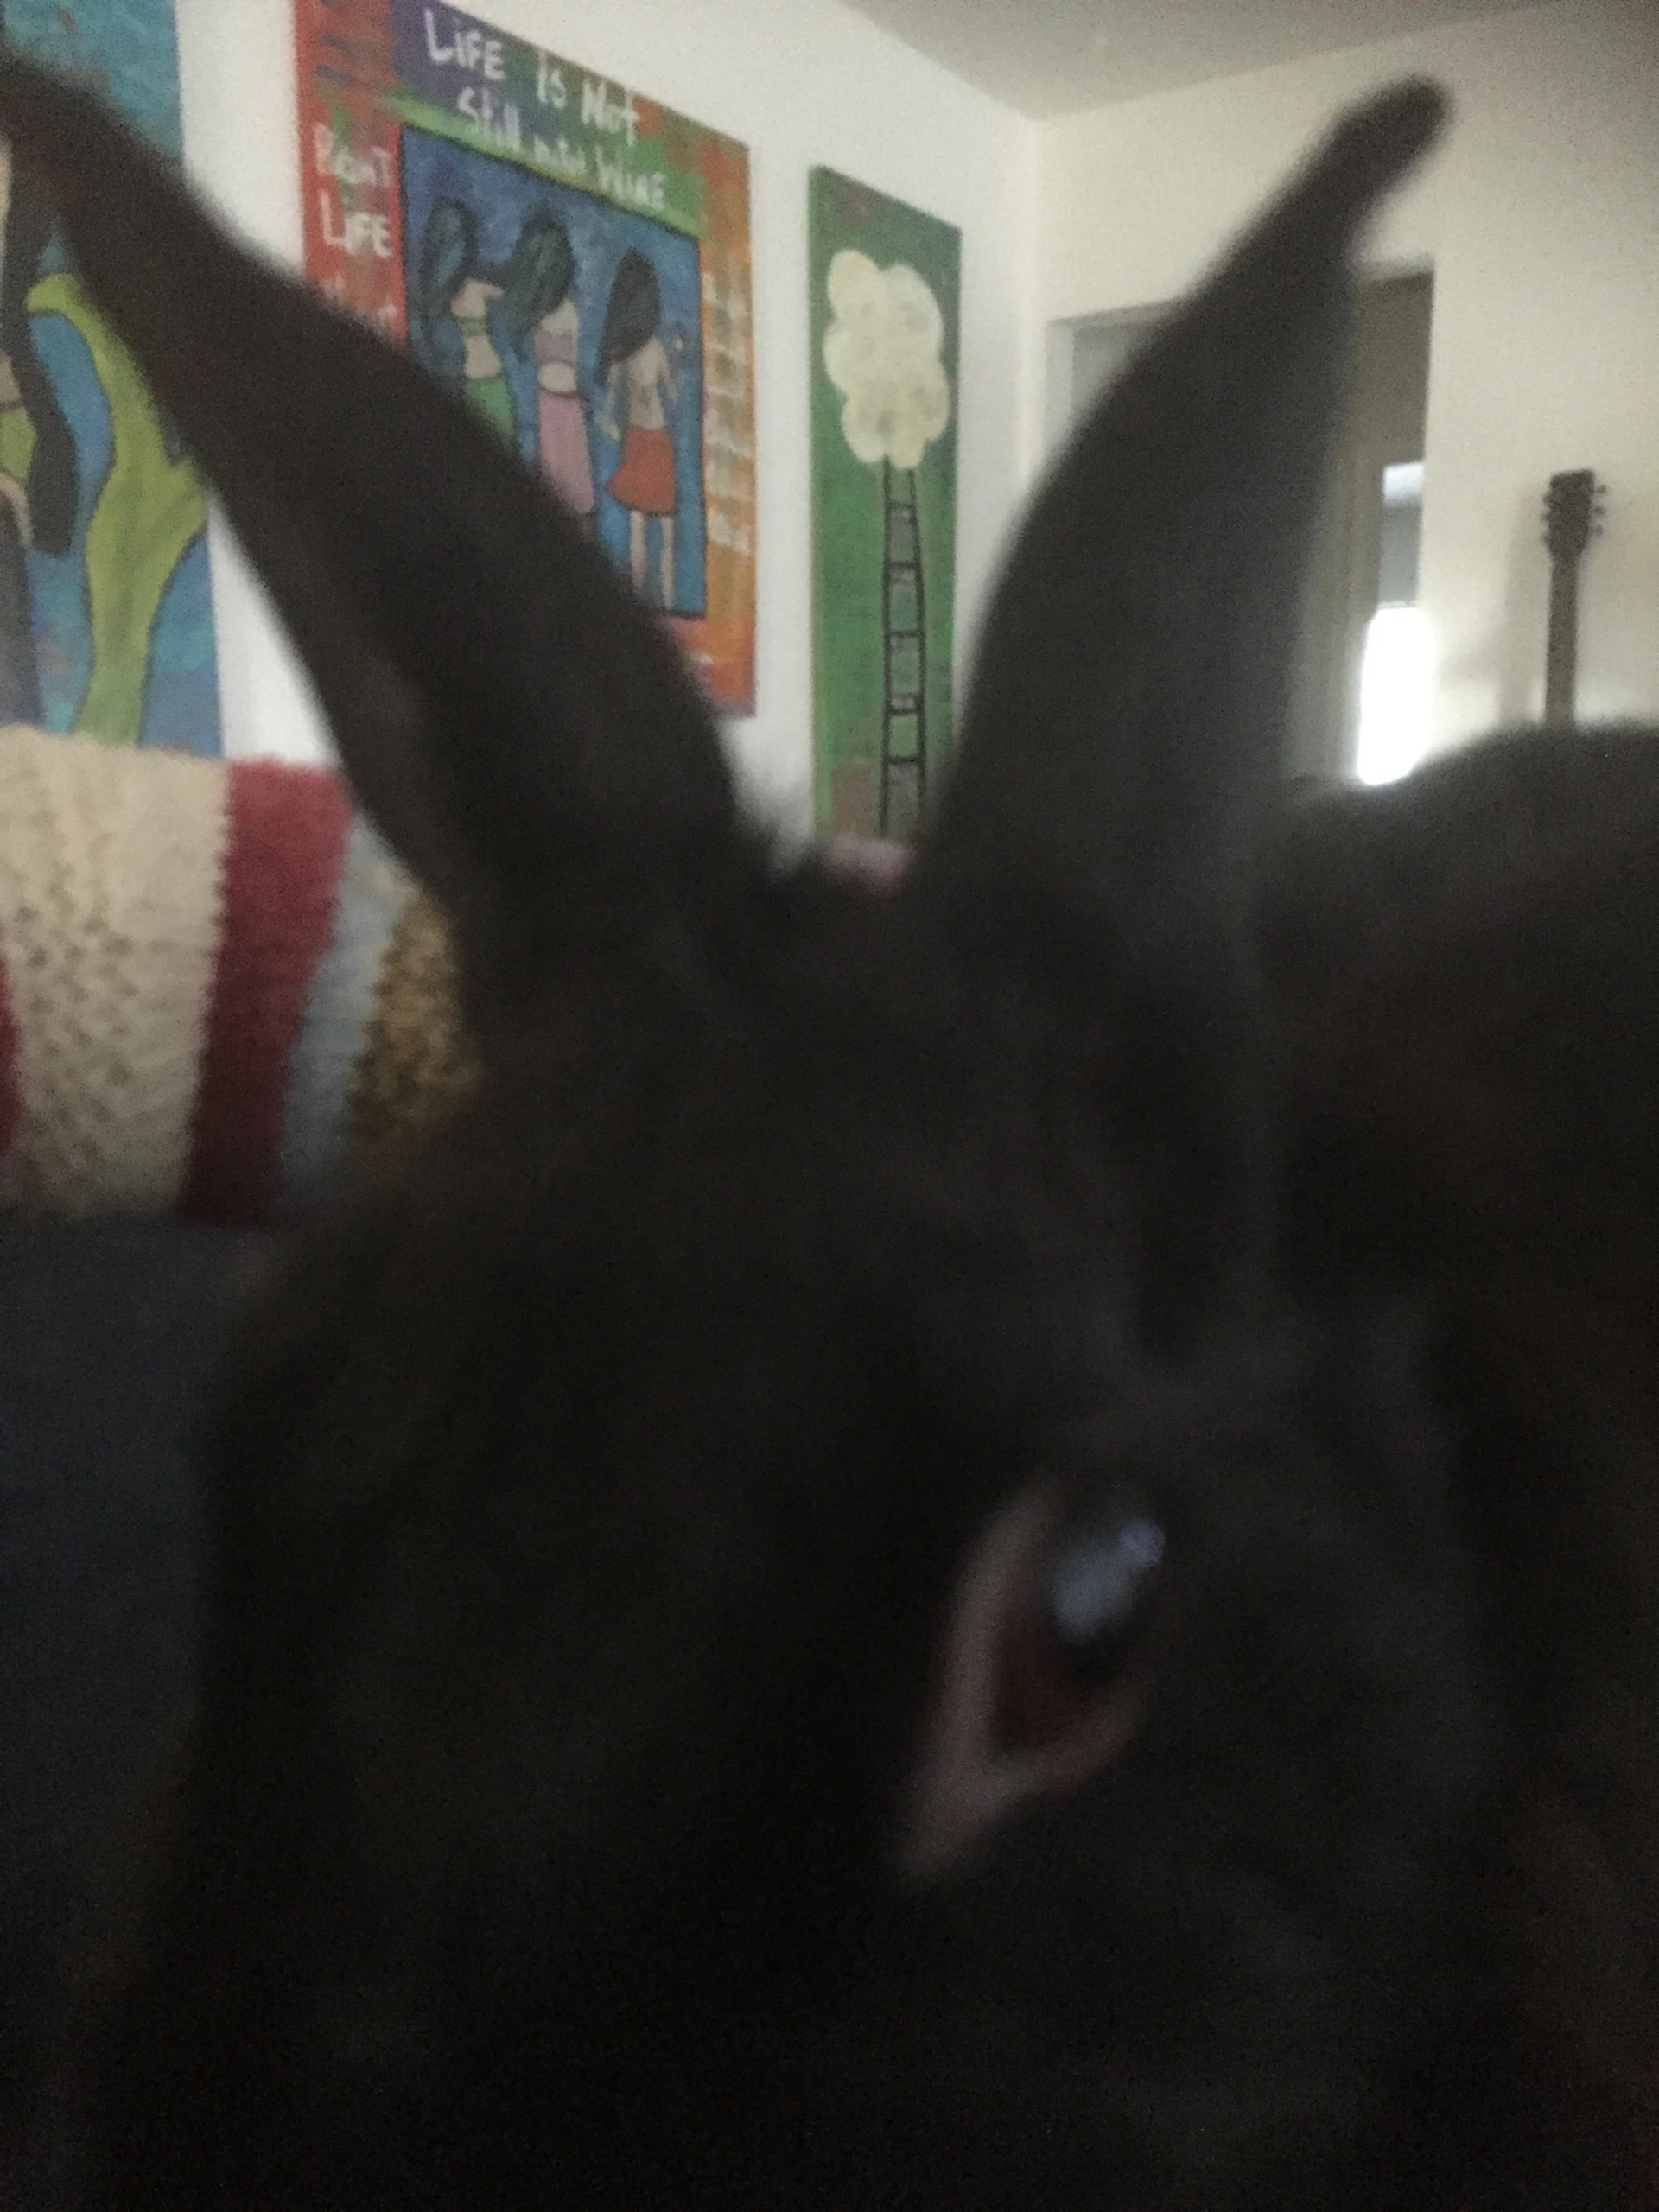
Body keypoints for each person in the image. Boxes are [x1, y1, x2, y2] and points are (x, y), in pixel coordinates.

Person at [497, 206, 594, 535]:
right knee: (557, 489)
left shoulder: (562, 311)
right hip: (551, 403)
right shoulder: (540, 309)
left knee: (576, 491)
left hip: (564, 404)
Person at [596, 246, 683, 607]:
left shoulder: (626, 355)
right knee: (659, 531)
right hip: (651, 440)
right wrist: (676, 358)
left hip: (642, 441)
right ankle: (661, 604)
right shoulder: (653, 352)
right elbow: (673, 398)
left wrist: (611, 428)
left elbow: (607, 410)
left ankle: (654, 604)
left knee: (645, 531)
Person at [409, 196, 512, 442]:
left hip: (468, 383)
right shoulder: (474, 287)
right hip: (488, 379)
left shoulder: (424, 298)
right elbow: (508, 289)